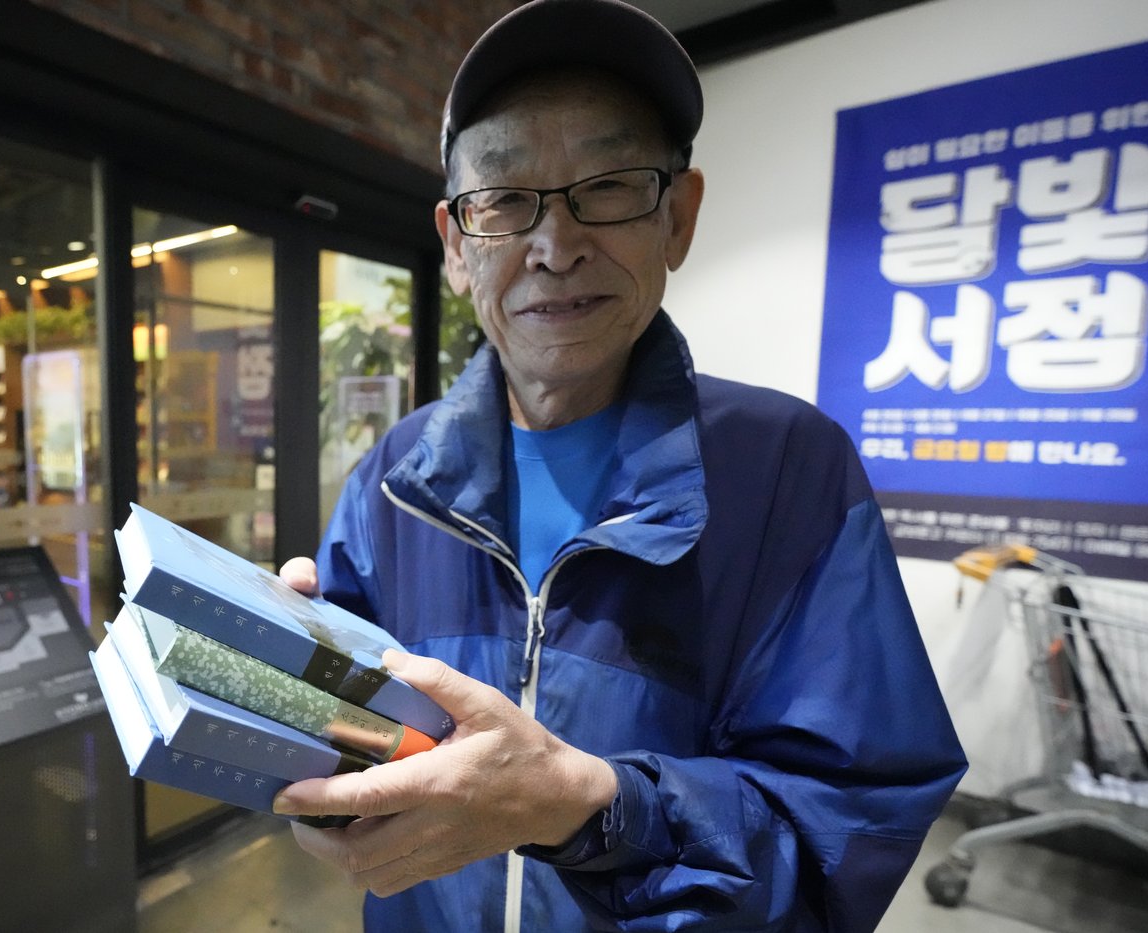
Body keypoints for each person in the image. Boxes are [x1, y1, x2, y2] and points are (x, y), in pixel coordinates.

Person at [273, 1, 968, 929]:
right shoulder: (395, 472)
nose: (555, 247)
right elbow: (351, 721)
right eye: (506, 200)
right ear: (454, 243)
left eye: (608, 187)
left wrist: (588, 803)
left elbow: (850, 824)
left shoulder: (791, 473)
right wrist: (287, 696)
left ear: (678, 218)